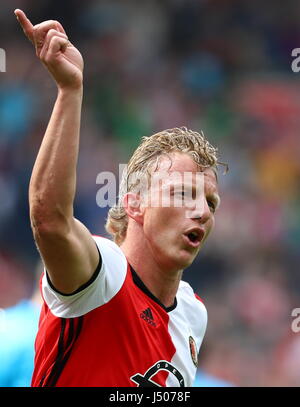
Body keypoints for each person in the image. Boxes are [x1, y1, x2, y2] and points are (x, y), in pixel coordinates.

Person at [15, 9, 222, 387]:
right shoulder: (103, 276)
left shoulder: (193, 313)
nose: (201, 212)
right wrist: (69, 91)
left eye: (210, 203)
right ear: (134, 204)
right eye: (182, 194)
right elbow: (49, 221)